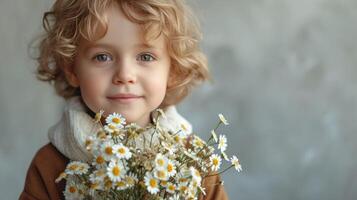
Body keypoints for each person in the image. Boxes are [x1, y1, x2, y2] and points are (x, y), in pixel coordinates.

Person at [19, 0, 228, 199]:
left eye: (145, 57)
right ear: (72, 69)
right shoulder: (50, 166)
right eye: (102, 56)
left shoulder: (195, 164)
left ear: (172, 70)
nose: (125, 74)